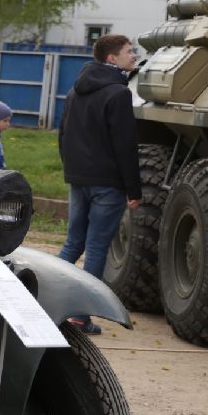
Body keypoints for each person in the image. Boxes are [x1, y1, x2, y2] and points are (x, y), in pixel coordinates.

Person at [57, 34, 142, 333]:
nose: (134, 55)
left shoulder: (75, 91)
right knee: (95, 248)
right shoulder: (118, 94)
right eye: (129, 51)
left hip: (79, 178)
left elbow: (63, 134)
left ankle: (43, 301)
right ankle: (81, 316)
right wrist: (134, 189)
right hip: (107, 183)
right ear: (111, 58)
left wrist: (72, 171)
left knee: (72, 243)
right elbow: (125, 145)